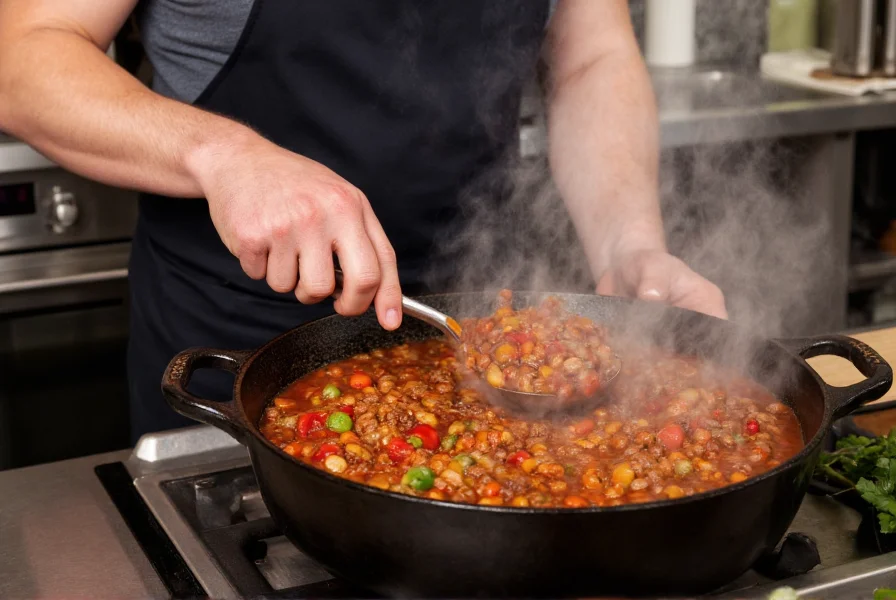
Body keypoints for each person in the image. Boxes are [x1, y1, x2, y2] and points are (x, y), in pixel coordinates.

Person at [0, 1, 726, 441]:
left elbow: (589, 60)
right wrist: (224, 156)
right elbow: (24, 53)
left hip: (479, 319)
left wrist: (631, 242)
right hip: (235, 339)